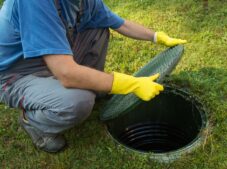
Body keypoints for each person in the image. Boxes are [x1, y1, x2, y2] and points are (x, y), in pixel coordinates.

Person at [0, 0, 187, 153]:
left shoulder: (83, 2)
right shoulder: (33, 3)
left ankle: (95, 89)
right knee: (78, 101)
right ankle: (33, 122)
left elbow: (120, 24)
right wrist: (129, 84)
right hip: (16, 74)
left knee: (98, 29)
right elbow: (66, 73)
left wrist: (156, 36)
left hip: (49, 59)